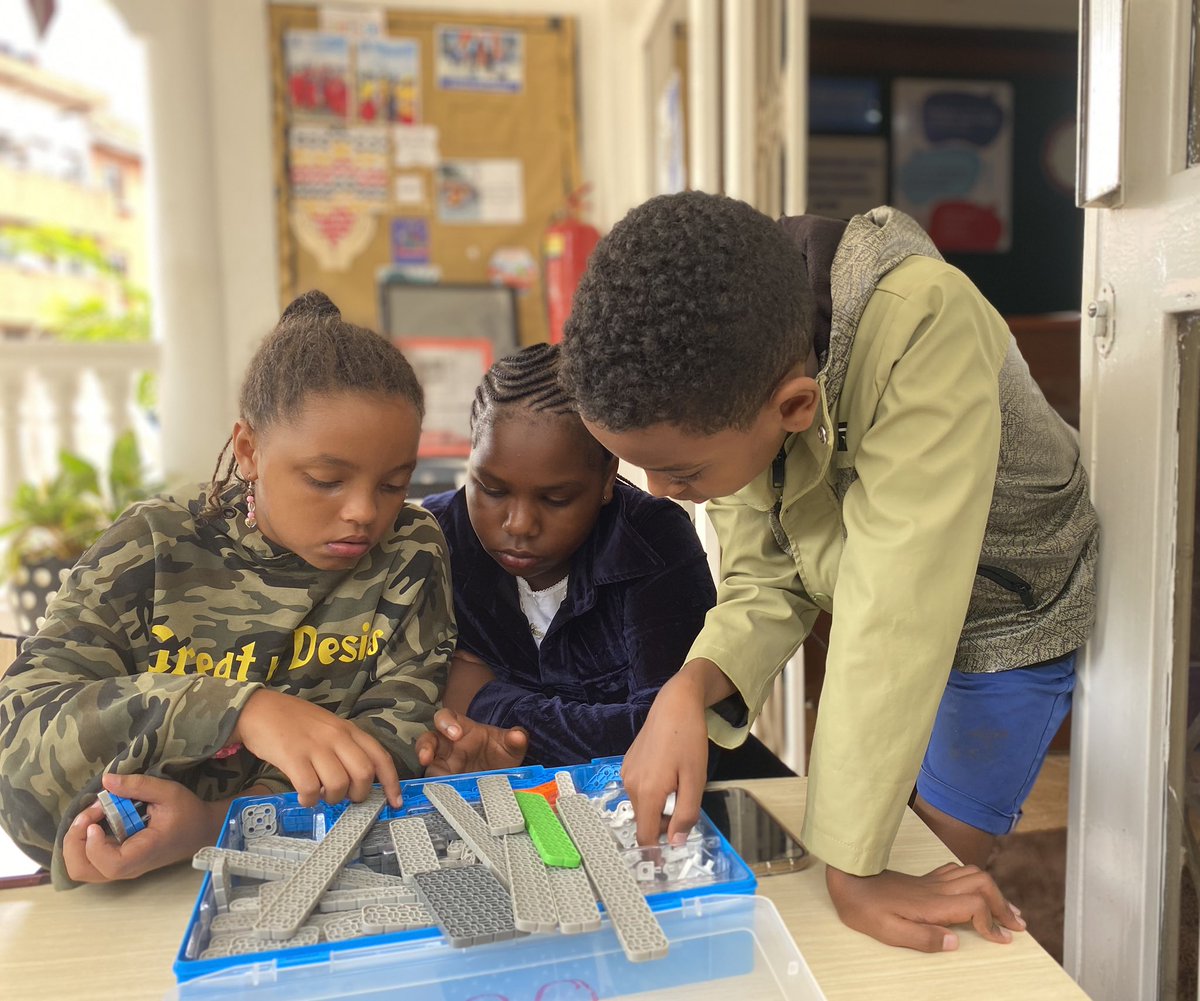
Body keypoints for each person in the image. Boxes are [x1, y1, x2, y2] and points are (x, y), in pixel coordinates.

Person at [559, 192, 1099, 953]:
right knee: (877, 837)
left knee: (931, 855)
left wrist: (854, 865)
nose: (657, 492)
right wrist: (691, 686)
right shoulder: (733, 365)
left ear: (794, 405)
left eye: (678, 472)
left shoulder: (923, 323)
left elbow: (897, 611)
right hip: (878, 590)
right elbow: (760, 579)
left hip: (1012, 610)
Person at [0, 291, 454, 888]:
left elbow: (391, 748)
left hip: (304, 876)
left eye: (395, 483)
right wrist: (239, 712)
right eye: (326, 480)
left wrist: (222, 824)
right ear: (249, 450)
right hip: (127, 894)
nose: (365, 513)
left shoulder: (409, 550)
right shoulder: (153, 547)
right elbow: (21, 749)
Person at [415, 343, 717, 773]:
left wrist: (488, 702)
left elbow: (674, 732)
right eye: (492, 489)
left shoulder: (652, 539)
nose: (518, 524)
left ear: (607, 478)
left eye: (556, 498)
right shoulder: (434, 539)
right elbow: (402, 711)